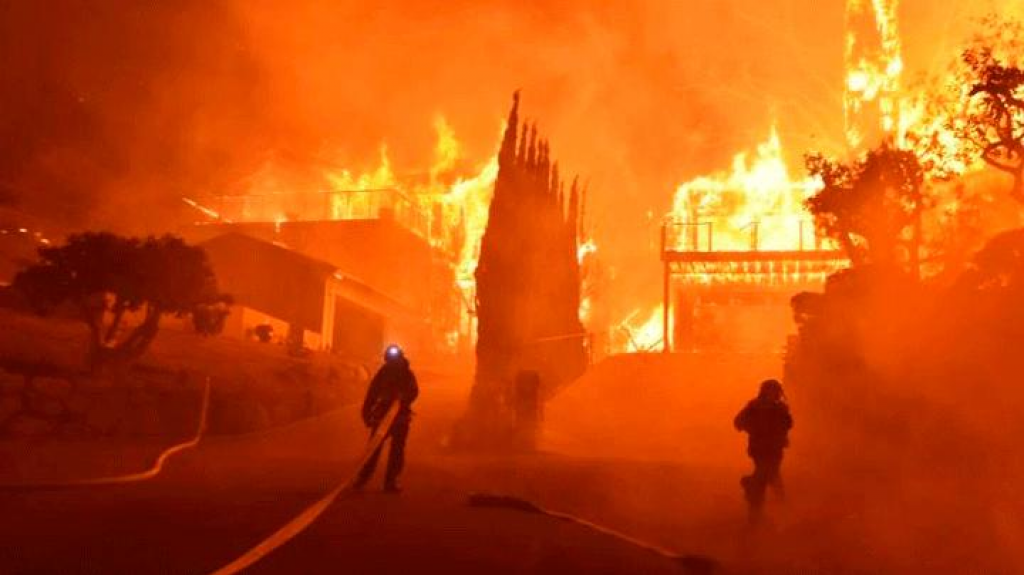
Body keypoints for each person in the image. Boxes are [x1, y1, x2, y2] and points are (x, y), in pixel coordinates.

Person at [353, 344, 419, 493]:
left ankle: (391, 481)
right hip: (383, 417)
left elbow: (414, 391)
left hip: (400, 417)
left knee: (396, 452)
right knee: (373, 449)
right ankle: (363, 478)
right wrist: (366, 413)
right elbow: (372, 393)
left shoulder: (407, 374)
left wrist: (403, 399)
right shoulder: (383, 373)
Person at [734, 379, 793, 521]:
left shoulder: (780, 408)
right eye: (770, 390)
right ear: (764, 391)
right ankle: (761, 504)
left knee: (771, 473)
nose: (773, 394)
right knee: (766, 473)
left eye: (775, 391)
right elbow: (738, 422)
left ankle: (763, 500)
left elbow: (788, 424)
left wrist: (779, 434)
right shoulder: (754, 406)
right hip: (760, 448)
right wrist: (755, 430)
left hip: (774, 448)